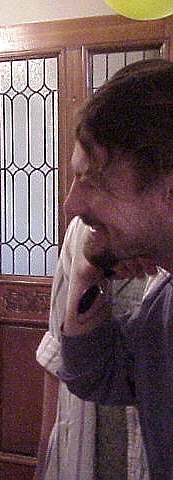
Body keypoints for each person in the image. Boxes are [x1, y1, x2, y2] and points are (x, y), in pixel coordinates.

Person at [58, 58, 173, 480]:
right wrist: (89, 272)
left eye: (94, 181)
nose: (72, 204)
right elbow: (96, 375)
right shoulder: (163, 305)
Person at [34, 216, 152, 480]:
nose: (71, 206)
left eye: (91, 178)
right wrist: (43, 463)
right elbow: (55, 356)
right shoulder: (83, 231)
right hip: (79, 461)